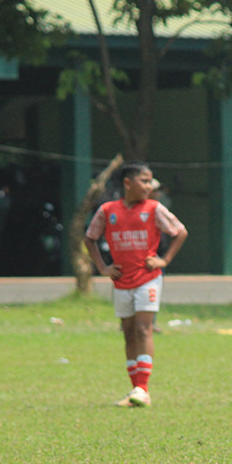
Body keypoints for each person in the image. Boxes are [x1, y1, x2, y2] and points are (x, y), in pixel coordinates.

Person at [85, 162, 188, 408]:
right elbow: (90, 238)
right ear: (127, 183)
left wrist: (164, 260)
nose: (148, 186)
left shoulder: (154, 209)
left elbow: (180, 232)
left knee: (143, 330)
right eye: (144, 181)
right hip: (121, 281)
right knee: (129, 333)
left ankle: (143, 388)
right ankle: (135, 388)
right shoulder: (107, 210)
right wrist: (103, 267)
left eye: (150, 181)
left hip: (148, 278)